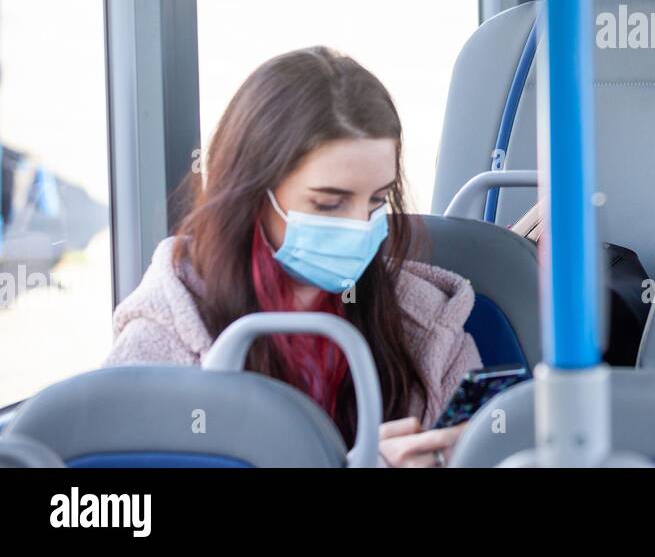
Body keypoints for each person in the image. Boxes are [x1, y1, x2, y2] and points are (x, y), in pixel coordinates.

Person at [105, 47, 480, 467]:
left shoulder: (428, 330)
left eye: (376, 201)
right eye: (328, 204)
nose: (360, 225)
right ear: (253, 193)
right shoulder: (164, 338)